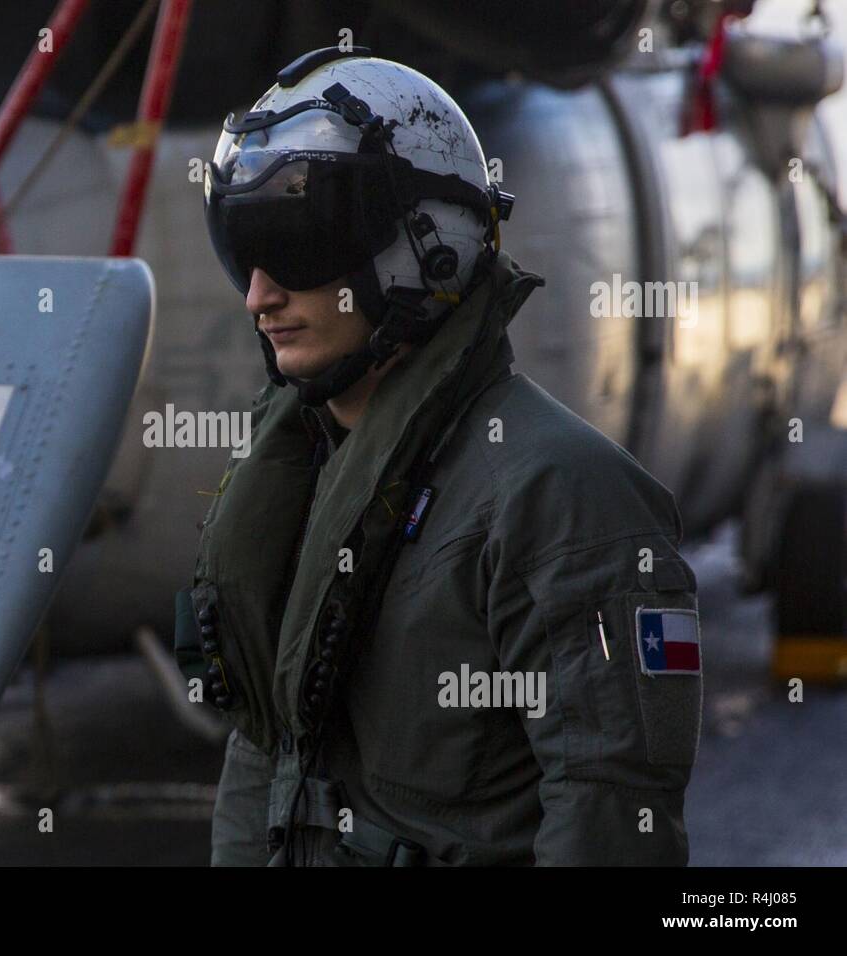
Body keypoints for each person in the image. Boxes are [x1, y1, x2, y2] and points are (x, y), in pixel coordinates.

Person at [174, 47, 703, 866]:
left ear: (430, 248)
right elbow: (266, 770)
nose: (260, 296)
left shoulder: (564, 496)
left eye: (299, 243)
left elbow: (611, 816)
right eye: (243, 249)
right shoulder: (308, 477)